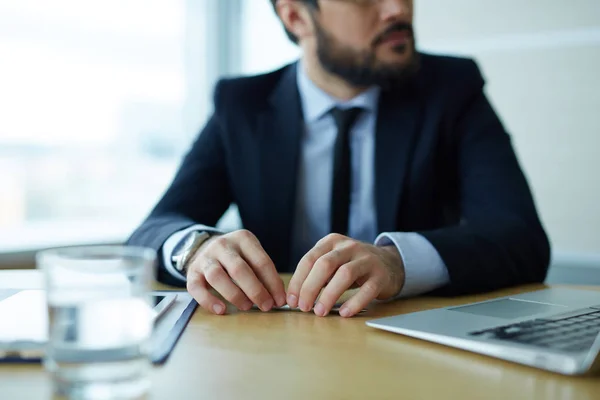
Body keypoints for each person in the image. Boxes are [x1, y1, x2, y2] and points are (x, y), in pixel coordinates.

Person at [127, 0, 551, 318]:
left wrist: (397, 261)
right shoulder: (242, 105)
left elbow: (520, 237)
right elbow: (156, 228)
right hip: (273, 345)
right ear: (296, 17)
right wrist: (198, 248)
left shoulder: (452, 90)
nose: (398, 9)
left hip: (409, 344)